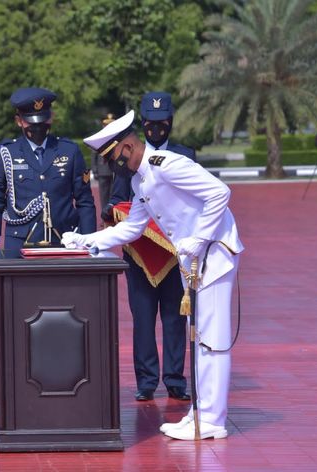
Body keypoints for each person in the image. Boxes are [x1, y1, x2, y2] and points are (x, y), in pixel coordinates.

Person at [63, 110, 244, 440]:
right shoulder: (139, 179)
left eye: (114, 157)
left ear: (129, 147)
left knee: (211, 342)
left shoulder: (168, 165)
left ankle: (214, 420)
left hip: (214, 254)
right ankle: (201, 414)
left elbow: (220, 192)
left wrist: (199, 238)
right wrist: (86, 240)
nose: (111, 166)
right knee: (200, 339)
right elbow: (132, 228)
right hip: (194, 261)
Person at [103, 92, 195, 403]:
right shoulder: (128, 158)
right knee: (143, 319)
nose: (157, 128)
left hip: (174, 253)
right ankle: (146, 380)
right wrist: (111, 209)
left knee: (174, 317)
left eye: (162, 123)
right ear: (143, 124)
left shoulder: (185, 155)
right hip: (140, 253)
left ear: (171, 122)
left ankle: (174, 378)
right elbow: (118, 199)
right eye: (151, 124)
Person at [0, 87, 96, 250]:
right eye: (31, 121)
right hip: (20, 244)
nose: (37, 126)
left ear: (51, 118)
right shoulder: (5, 153)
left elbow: (84, 201)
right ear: (19, 120)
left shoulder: (69, 151)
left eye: (42, 120)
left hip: (66, 242)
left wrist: (89, 242)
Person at [91, 113, 115, 216]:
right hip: (103, 170)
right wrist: (95, 170)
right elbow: (94, 155)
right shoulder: (99, 137)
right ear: (103, 125)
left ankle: (114, 216)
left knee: (114, 195)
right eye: (106, 124)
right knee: (104, 196)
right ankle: (105, 215)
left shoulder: (117, 137)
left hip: (115, 171)